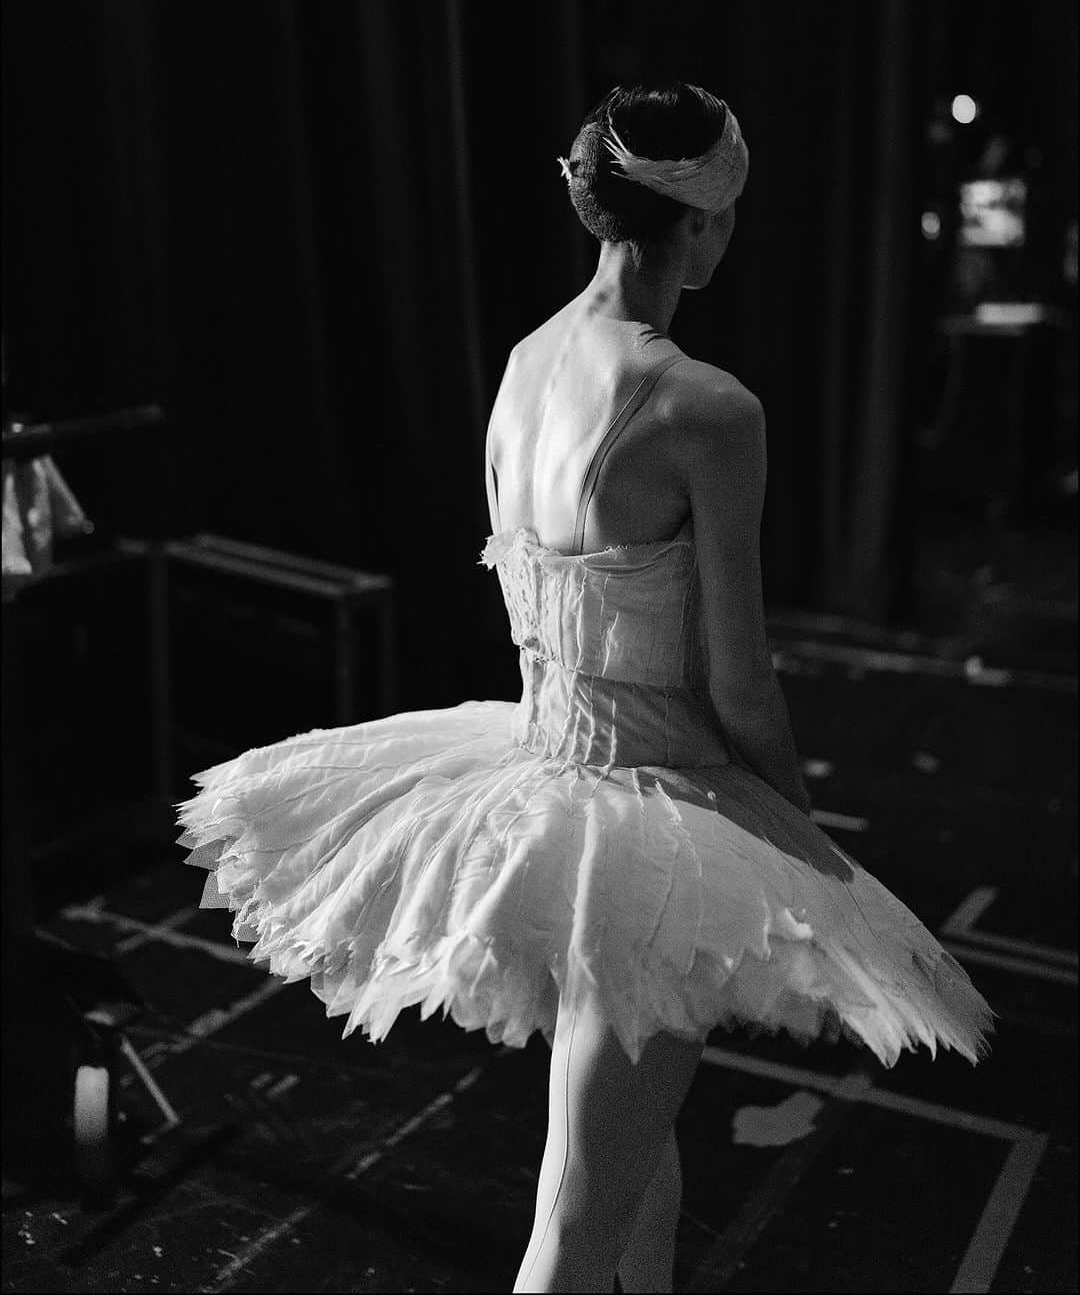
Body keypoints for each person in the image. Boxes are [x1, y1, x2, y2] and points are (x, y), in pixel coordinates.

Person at [177, 82, 994, 1294]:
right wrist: (798, 831)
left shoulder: (523, 365)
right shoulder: (707, 409)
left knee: (623, 1144)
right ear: (705, 225)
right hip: (650, 814)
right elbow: (738, 673)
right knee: (573, 1212)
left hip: (545, 791)